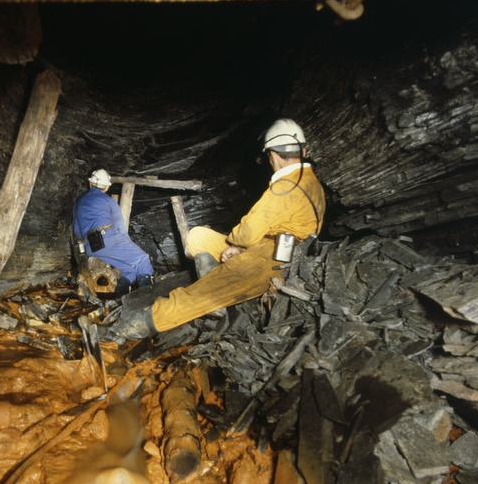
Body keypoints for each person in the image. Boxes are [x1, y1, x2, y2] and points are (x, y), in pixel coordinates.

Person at [112, 118, 325, 338]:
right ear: (303, 150)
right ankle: (214, 278)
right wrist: (238, 246)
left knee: (202, 294)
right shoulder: (310, 181)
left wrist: (236, 245)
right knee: (199, 236)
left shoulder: (284, 187)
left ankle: (136, 325)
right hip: (269, 244)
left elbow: (248, 232)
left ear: (272, 155)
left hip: (276, 258)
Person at [73, 168, 155, 296]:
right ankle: (146, 301)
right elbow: (120, 227)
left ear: (90, 183)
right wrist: (125, 244)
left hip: (91, 247)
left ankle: (119, 299)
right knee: (142, 260)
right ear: (106, 187)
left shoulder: (79, 202)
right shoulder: (108, 201)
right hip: (107, 240)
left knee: (129, 270)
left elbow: (77, 230)